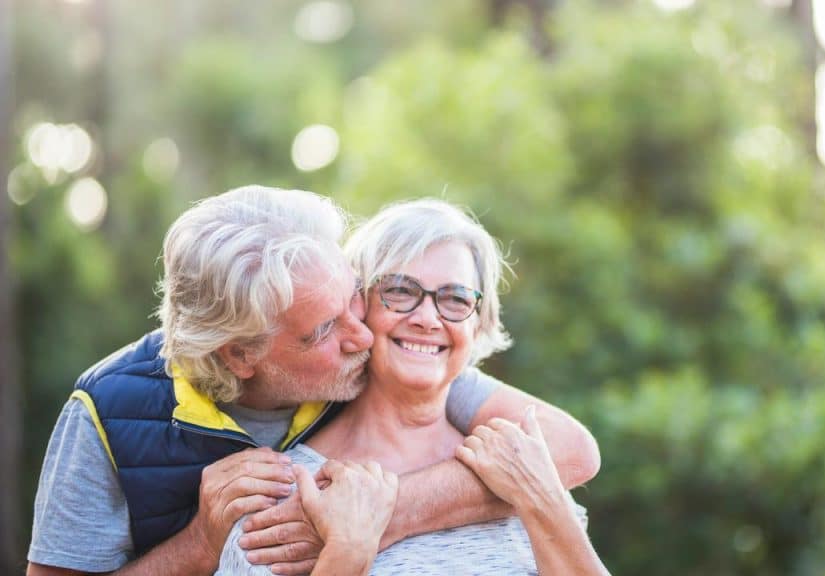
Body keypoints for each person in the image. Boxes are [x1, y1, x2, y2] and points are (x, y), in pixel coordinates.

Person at [27, 186, 600, 575]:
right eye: (327, 327)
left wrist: (387, 512)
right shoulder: (116, 415)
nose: (359, 336)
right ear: (242, 355)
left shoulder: (472, 423)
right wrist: (205, 541)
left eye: (351, 295)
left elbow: (571, 451)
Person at [218, 198, 608, 575]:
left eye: (455, 298)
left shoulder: (520, 466)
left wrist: (539, 498)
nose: (427, 318)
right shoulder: (283, 496)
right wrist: (347, 553)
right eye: (401, 290)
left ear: (478, 322)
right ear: (357, 306)